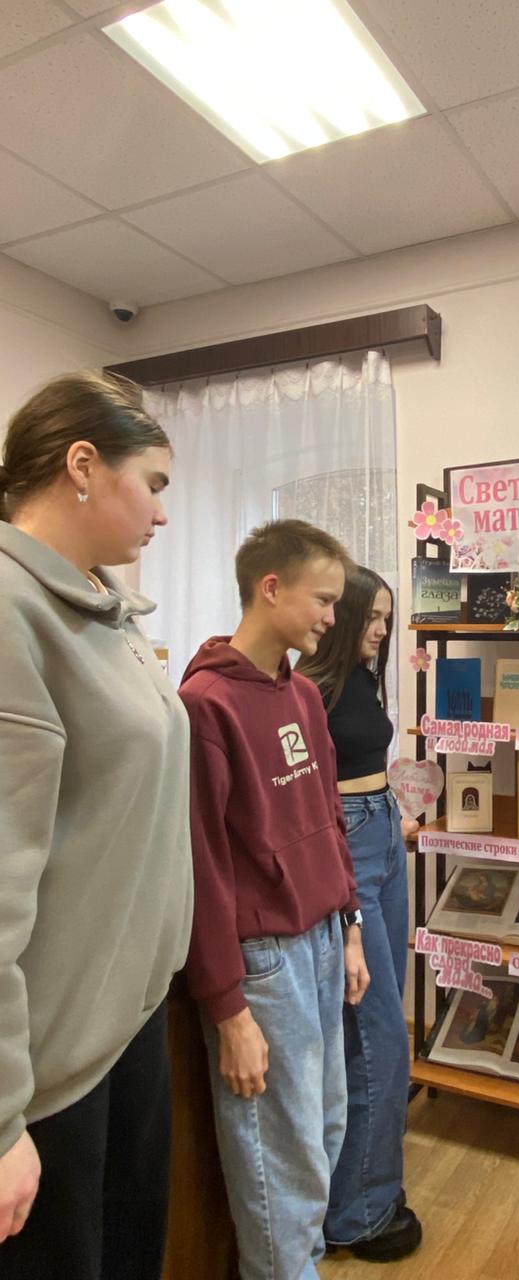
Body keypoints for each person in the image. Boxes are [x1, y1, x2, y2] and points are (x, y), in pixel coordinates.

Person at [0, 371, 193, 1278]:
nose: (162, 511)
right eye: (152, 483)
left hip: (127, 1019)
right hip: (48, 1067)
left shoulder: (103, 608)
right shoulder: (12, 611)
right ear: (82, 465)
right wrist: (3, 1119)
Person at [180, 519, 369, 1280]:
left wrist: (350, 928)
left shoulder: (303, 695)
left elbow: (328, 816)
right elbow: (201, 866)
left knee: (322, 1133)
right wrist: (228, 1010)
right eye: (322, 600)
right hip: (263, 962)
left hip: (321, 938)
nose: (332, 617)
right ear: (271, 588)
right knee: (278, 1161)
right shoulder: (206, 704)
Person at [298, 563, 423, 1262]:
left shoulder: (361, 679)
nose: (380, 629)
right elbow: (311, 798)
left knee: (379, 1021)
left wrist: (391, 819)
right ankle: (359, 1212)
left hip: (381, 829)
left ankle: (363, 1191)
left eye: (386, 617)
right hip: (349, 841)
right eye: (370, 617)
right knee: (376, 1036)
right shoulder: (308, 688)